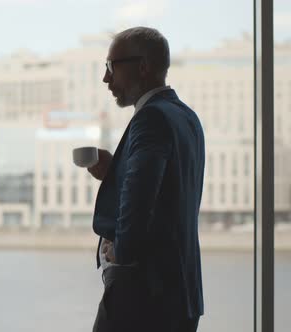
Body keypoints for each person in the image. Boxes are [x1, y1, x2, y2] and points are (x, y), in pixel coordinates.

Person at [88, 27, 205, 332]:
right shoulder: (186, 117)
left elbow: (140, 201)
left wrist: (120, 250)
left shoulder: (150, 119)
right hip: (180, 294)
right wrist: (116, 172)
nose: (106, 78)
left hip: (141, 296)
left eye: (112, 67)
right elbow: (169, 191)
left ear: (143, 67)